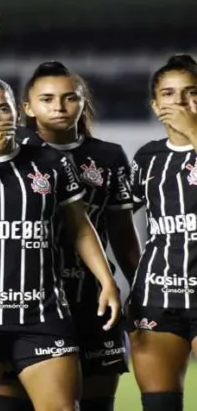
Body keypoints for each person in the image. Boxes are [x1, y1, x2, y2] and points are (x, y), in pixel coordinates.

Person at [0, 13, 140, 411]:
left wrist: (109, 281)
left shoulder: (53, 160)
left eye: (1, 110)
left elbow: (82, 228)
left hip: (49, 306)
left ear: (14, 111)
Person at [126, 54, 197, 411]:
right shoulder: (148, 158)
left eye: (191, 92)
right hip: (158, 297)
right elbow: (117, 220)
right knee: (159, 405)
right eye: (169, 94)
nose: (180, 101)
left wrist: (194, 131)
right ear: (156, 105)